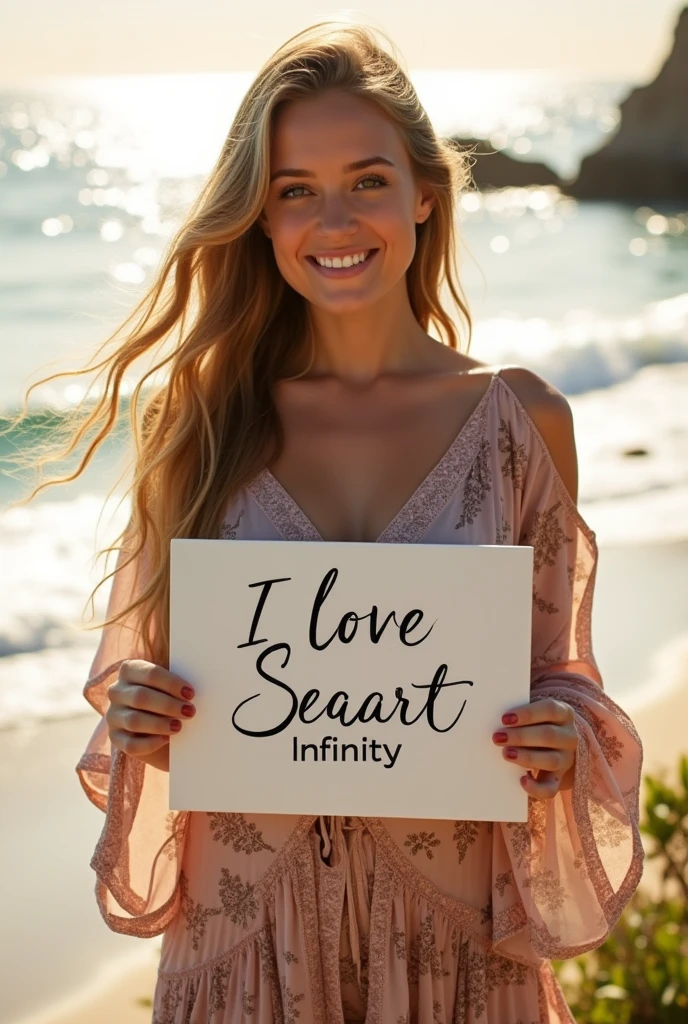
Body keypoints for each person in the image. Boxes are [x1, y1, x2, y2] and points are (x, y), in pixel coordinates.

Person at [19, 21, 644, 1023]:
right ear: (259, 218)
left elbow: (561, 672)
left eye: (366, 179)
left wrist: (561, 730)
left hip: (454, 946)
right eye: (293, 189)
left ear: (423, 194)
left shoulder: (521, 423)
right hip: (248, 942)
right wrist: (140, 713)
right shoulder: (201, 422)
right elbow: (162, 681)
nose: (333, 218)